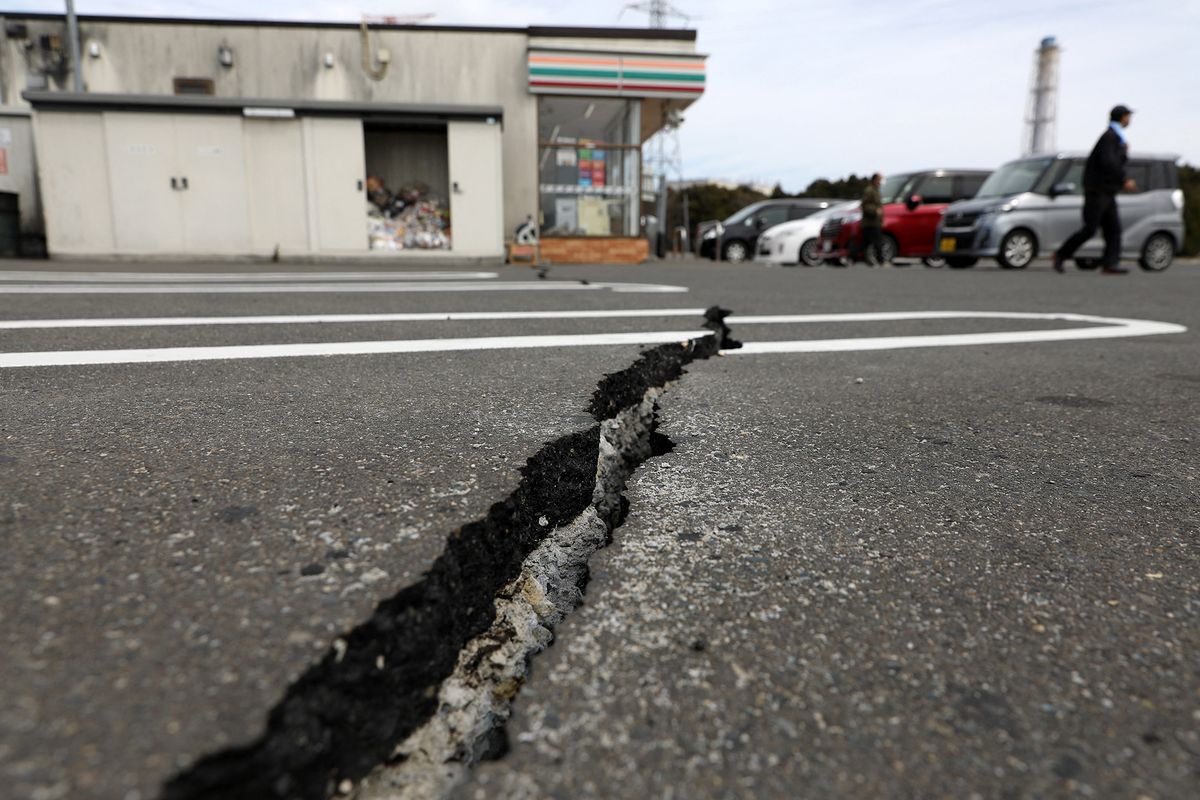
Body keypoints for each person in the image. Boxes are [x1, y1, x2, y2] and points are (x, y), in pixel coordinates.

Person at [1053, 105, 1137, 274]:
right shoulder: (1110, 137)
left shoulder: (1116, 137)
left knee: (1114, 230)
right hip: (1097, 192)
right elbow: (1109, 163)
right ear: (1122, 117)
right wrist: (1124, 180)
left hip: (1107, 192)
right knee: (1090, 229)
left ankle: (1110, 264)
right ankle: (1061, 254)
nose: (1129, 120)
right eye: (1128, 116)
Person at [860, 173, 886, 266]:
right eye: (879, 180)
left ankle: (857, 258)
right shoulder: (870, 190)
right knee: (877, 242)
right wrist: (875, 210)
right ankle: (881, 261)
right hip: (870, 222)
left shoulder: (876, 191)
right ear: (874, 180)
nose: (880, 182)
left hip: (875, 222)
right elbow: (864, 205)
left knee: (866, 243)